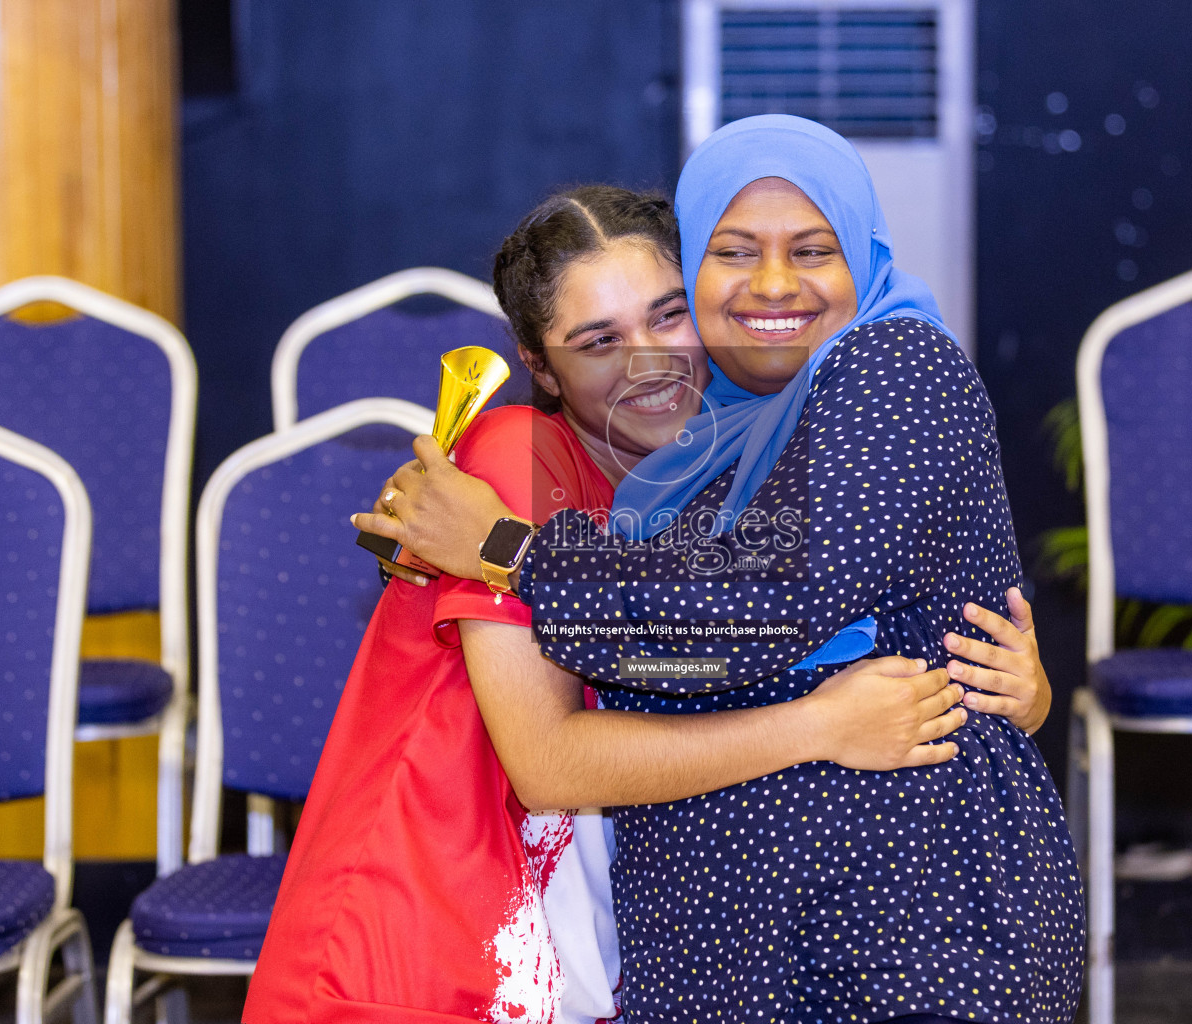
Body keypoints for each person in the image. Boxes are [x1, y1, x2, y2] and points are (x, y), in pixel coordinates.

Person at [360, 117, 1083, 1023]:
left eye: (812, 249)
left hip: (903, 928)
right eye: (734, 252)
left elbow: (762, 606)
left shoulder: (894, 363)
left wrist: (509, 552)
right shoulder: (704, 447)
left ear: (863, 252)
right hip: (723, 945)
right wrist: (817, 720)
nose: (774, 284)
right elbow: (675, 661)